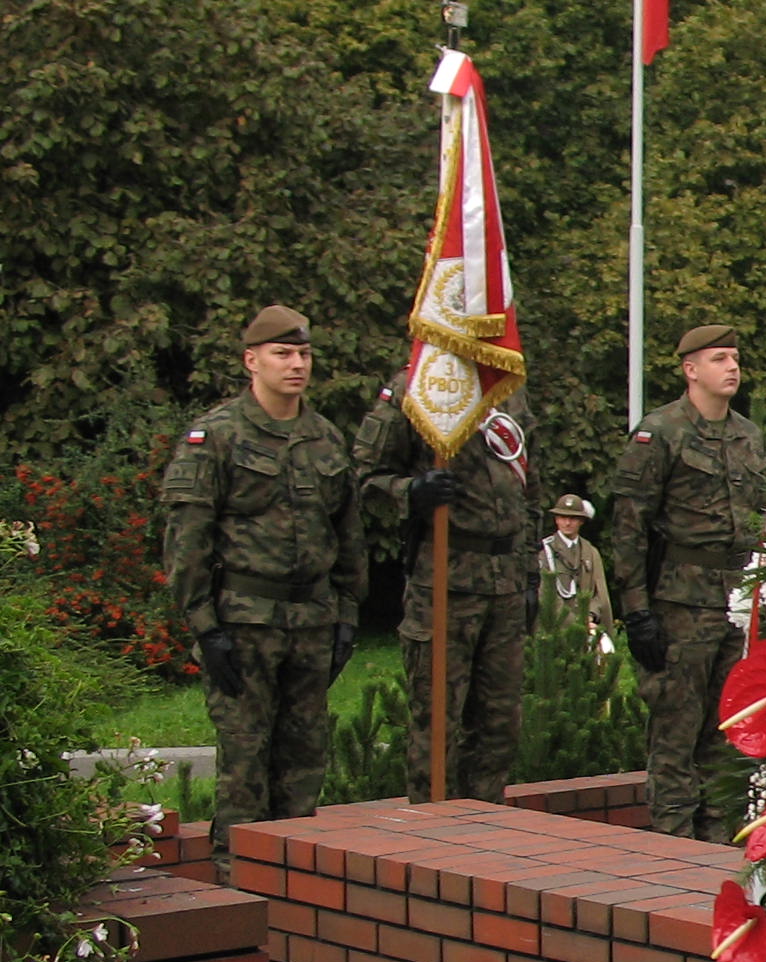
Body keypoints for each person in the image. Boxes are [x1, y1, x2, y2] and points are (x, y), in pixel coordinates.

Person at [160, 306, 367, 873]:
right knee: (245, 762)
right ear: (252, 361)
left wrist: (347, 615)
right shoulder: (217, 435)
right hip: (244, 622)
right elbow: (187, 541)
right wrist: (205, 628)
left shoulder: (324, 437)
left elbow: (347, 534)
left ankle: (294, 883)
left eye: (303, 354)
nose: (296, 364)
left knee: (304, 761)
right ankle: (237, 882)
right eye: (283, 353)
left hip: (312, 620)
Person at [611, 326, 766, 838]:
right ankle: (674, 847)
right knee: (675, 733)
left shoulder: (748, 435)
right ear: (690, 370)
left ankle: (718, 845)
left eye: (735, 357)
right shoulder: (660, 433)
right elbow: (629, 527)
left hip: (737, 601)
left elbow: (764, 518)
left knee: (727, 731)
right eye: (719, 358)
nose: (732, 367)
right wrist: (637, 611)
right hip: (679, 605)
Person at [355, 381, 534, 802]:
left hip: (506, 581)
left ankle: (484, 820)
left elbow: (529, 485)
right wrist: (411, 491)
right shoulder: (417, 384)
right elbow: (364, 479)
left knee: (499, 725)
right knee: (437, 724)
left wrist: (529, 572)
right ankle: (434, 826)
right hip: (444, 579)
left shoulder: (506, 386)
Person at [539, 495, 615, 642]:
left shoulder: (591, 552)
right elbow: (546, 594)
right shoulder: (545, 551)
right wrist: (575, 623)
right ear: (556, 519)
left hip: (588, 626)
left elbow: (599, 592)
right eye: (563, 517)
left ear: (581, 521)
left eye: (573, 518)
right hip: (556, 630)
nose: (567, 523)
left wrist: (590, 615)